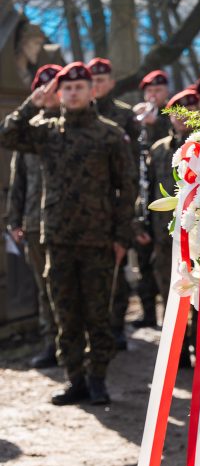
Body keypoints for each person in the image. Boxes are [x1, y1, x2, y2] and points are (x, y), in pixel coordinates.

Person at [0, 62, 136, 405]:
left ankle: (98, 379)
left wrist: (122, 237)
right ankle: (75, 379)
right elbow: (7, 135)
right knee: (65, 314)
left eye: (80, 87)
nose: (73, 93)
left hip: (99, 240)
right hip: (57, 239)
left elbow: (127, 188)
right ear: (59, 92)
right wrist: (34, 101)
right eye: (67, 88)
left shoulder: (109, 134)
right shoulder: (46, 131)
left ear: (92, 91)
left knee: (97, 314)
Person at [5, 64, 61, 368]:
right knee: (44, 289)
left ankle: (80, 347)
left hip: (70, 226)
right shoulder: (28, 134)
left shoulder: (74, 126)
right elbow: (18, 183)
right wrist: (14, 222)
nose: (50, 94)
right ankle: (51, 343)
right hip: (34, 223)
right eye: (44, 88)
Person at [88, 57, 140, 349]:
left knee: (117, 268)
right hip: (86, 203)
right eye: (92, 80)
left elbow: (132, 162)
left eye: (102, 79)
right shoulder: (78, 113)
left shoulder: (124, 115)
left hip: (116, 200)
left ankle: (117, 326)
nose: (97, 85)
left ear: (110, 82)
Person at [147, 85, 198, 367]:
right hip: (165, 235)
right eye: (178, 111)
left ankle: (197, 347)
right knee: (169, 291)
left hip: (199, 235)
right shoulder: (158, 151)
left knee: (198, 295)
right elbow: (148, 188)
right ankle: (177, 354)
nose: (184, 116)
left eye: (191, 109)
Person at [132, 70, 171, 328]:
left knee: (163, 264)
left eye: (158, 90)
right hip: (142, 197)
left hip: (164, 200)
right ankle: (148, 313)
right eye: (149, 90)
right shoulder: (138, 118)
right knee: (143, 261)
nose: (153, 95)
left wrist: (153, 125)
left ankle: (169, 317)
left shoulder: (171, 116)